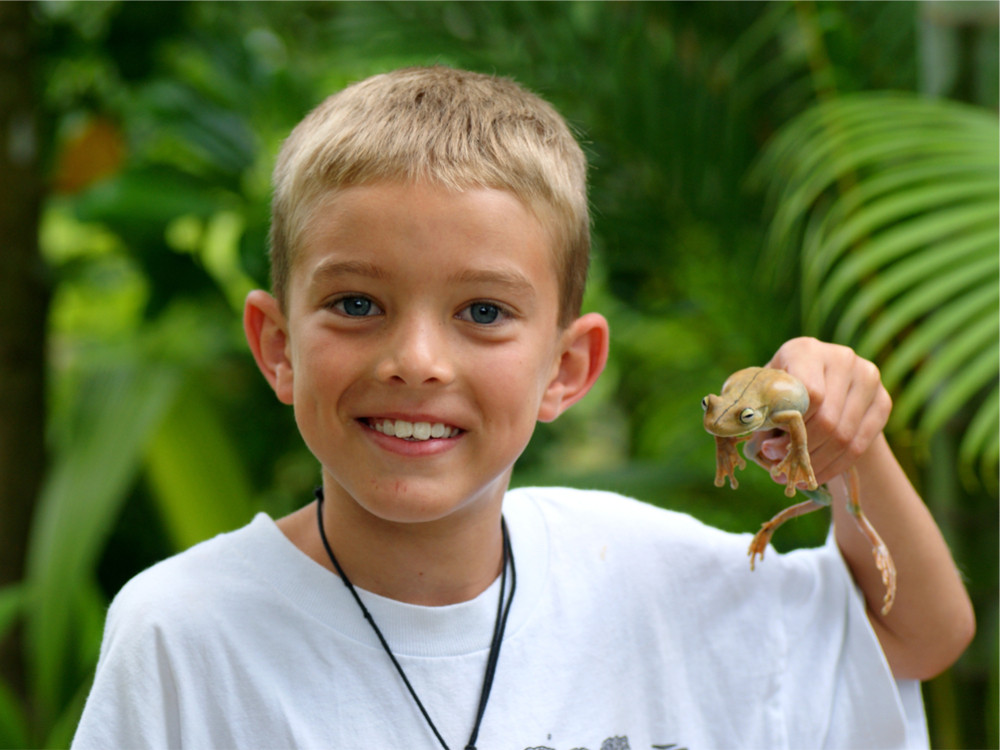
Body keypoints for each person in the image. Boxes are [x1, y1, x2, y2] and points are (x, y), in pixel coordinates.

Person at [72, 66, 974, 750]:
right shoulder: (182, 634)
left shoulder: (645, 574)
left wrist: (851, 450)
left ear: (567, 367)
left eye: (483, 313)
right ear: (277, 347)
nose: (417, 362)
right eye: (356, 304)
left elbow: (914, 633)